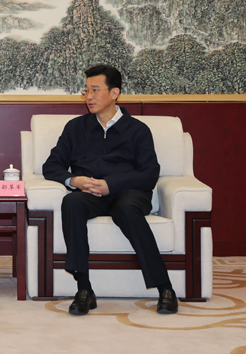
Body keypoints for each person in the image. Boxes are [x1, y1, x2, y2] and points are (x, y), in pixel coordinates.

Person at [42, 64, 178, 315]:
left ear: (114, 93)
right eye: (86, 91)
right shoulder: (75, 127)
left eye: (95, 90)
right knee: (71, 202)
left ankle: (165, 287)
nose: (89, 96)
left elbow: (149, 174)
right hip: (90, 194)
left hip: (129, 193)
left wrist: (111, 185)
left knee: (126, 209)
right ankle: (84, 289)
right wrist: (75, 181)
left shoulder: (137, 130)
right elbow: (51, 166)